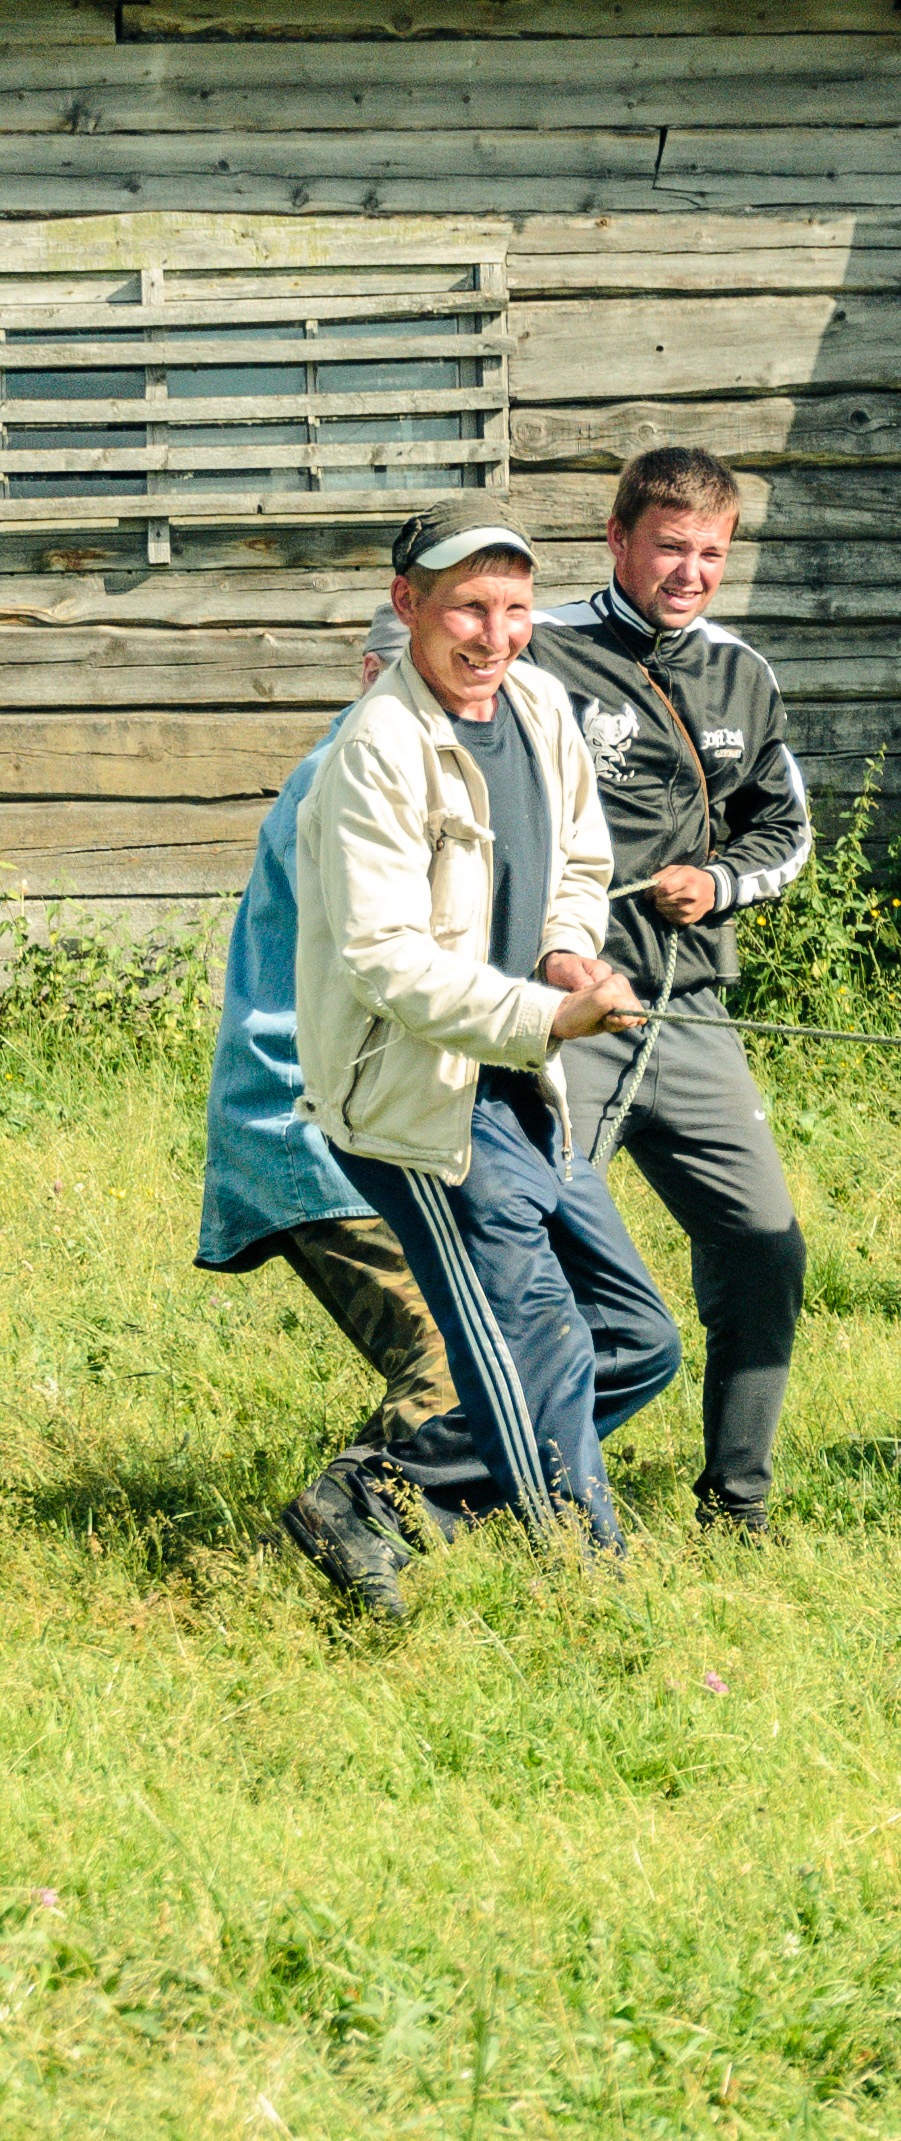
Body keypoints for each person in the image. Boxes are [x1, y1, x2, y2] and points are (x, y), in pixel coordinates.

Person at [297, 502, 683, 1553]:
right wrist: (550, 1011)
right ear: (407, 605)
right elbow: (383, 959)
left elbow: (580, 865)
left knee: (636, 1339)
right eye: (468, 607)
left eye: (514, 607)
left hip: (525, 1077)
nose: (494, 634)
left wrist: (565, 948)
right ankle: (581, 1577)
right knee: (537, 1346)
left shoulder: (541, 704)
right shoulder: (374, 752)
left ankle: (381, 1492)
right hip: (422, 1097)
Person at [526, 445, 814, 1539]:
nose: (690, 571)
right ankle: (528, 1483)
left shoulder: (743, 671)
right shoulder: (540, 649)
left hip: (689, 1009)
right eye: (669, 547)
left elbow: (786, 828)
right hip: (561, 1007)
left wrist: (722, 880)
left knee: (763, 1243)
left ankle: (736, 1502)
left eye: (711, 552)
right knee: (545, 1248)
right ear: (617, 540)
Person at [199, 605, 481, 1619]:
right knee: (461, 1358)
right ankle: (349, 1514)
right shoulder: (351, 781)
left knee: (499, 1340)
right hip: (317, 1126)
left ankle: (391, 1521)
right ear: (373, 668)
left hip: (354, 1121)